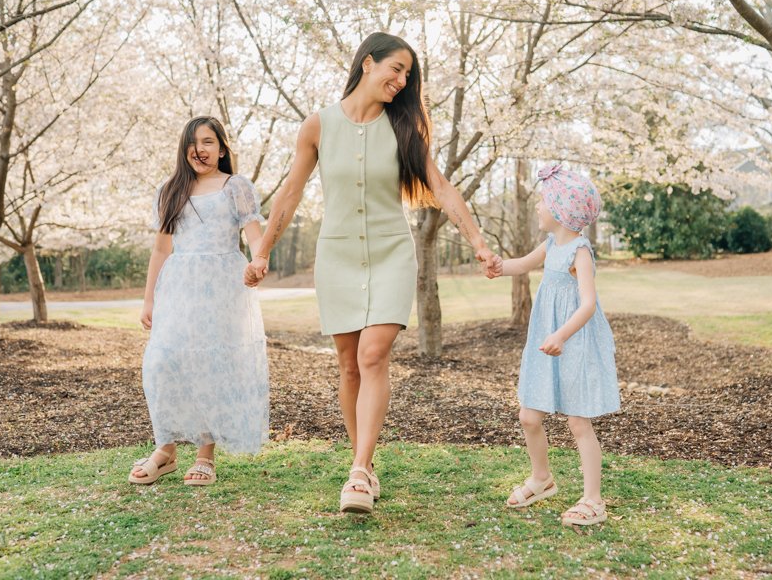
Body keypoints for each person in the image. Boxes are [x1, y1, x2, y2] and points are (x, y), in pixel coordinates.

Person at [244, 32, 498, 513]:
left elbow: (440, 188)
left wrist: (479, 244)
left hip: (391, 255)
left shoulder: (405, 130)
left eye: (408, 75)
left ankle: (358, 472)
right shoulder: (318, 125)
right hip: (336, 256)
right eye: (396, 69)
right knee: (347, 365)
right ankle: (366, 464)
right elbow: (291, 194)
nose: (402, 82)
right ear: (367, 63)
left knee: (374, 355)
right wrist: (262, 253)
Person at [129, 116, 268, 487]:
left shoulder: (234, 186)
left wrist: (258, 259)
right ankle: (165, 449)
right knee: (162, 362)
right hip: (178, 287)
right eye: (193, 142)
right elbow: (161, 249)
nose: (199, 149)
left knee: (210, 364)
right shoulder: (170, 190)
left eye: (208, 142)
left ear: (222, 149)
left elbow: (254, 233)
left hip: (222, 287)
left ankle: (205, 455)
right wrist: (149, 300)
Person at [488, 163, 620, 527]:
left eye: (543, 202)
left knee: (578, 422)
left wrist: (562, 335)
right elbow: (522, 265)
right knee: (529, 415)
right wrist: (499, 266)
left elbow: (589, 303)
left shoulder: (579, 252)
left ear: (561, 210)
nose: (538, 207)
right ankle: (541, 478)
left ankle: (594, 499)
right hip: (545, 340)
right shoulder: (549, 245)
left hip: (572, 342)